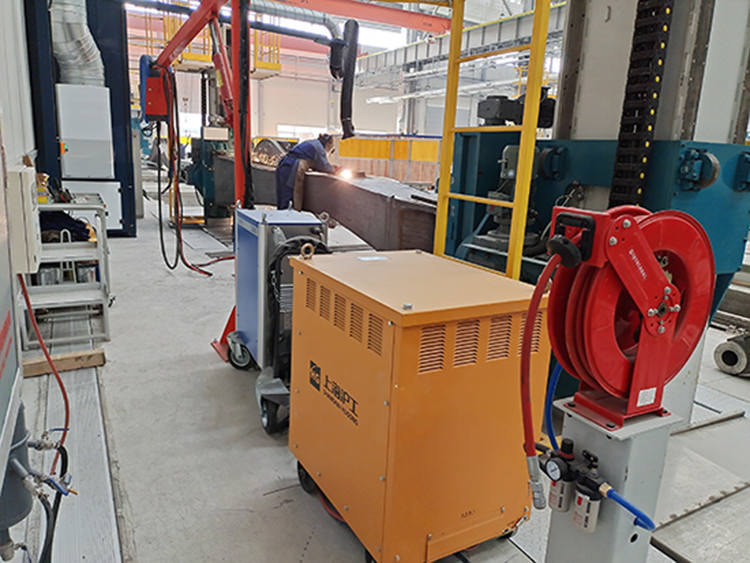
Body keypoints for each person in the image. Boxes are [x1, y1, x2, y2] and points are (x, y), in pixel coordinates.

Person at [275, 133, 338, 210]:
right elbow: (324, 166)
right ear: (329, 143)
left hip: (284, 165)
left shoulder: (312, 142)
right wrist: (336, 170)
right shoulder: (319, 148)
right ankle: (289, 215)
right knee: (290, 196)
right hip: (293, 167)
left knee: (282, 195)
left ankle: (282, 214)